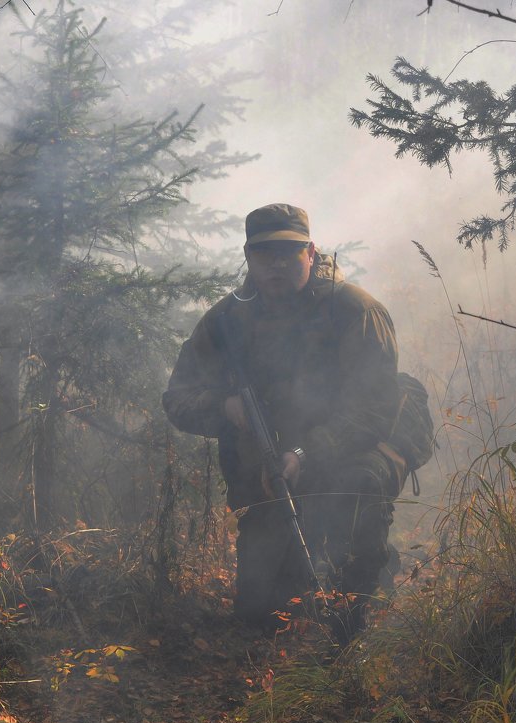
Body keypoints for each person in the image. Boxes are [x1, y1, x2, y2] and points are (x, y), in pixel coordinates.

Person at [163, 203, 403, 640]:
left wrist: (305, 454)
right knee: (260, 616)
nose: (276, 265)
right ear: (248, 256)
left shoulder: (354, 311)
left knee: (358, 497)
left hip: (346, 456)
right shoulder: (224, 321)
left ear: (311, 253)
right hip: (268, 480)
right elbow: (177, 398)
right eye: (264, 254)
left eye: (289, 253)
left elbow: (377, 408)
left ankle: (361, 602)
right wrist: (223, 407)